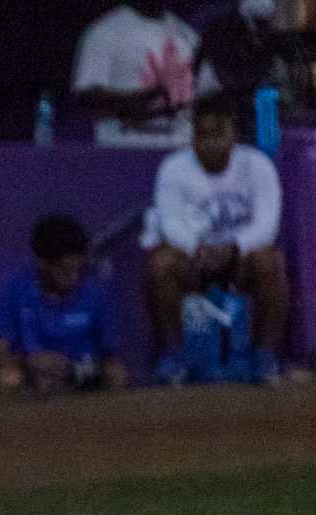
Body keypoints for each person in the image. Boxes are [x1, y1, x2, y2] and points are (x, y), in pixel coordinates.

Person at [142, 94, 288, 386]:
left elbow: (267, 224)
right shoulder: (174, 168)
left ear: (233, 133)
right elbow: (170, 224)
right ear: (193, 136)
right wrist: (199, 248)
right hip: (194, 259)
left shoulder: (257, 165)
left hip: (240, 260)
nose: (210, 144)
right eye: (202, 135)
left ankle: (263, 357)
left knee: (270, 261)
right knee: (160, 264)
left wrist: (233, 248)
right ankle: (173, 357)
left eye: (218, 134)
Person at [0, 213, 129, 395]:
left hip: (80, 369)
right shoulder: (11, 289)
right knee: (8, 378)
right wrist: (32, 361)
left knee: (116, 374)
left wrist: (78, 367)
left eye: (79, 270)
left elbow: (109, 353)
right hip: (29, 369)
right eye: (65, 270)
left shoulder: (96, 292)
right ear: (42, 263)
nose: (74, 278)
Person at [74, 1, 201, 148]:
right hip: (125, 148)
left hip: (181, 147)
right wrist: (138, 101)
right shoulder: (105, 31)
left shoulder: (186, 33)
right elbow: (87, 95)